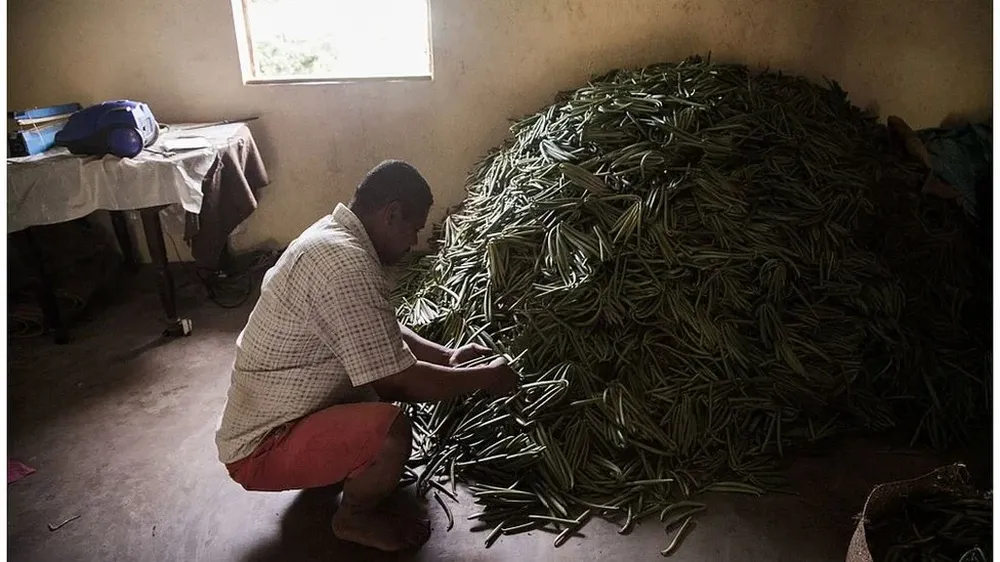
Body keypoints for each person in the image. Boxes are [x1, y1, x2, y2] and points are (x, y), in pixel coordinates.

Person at [215, 160, 518, 552]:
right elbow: (398, 380)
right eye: (413, 228)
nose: (413, 241)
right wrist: (485, 378)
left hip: (285, 413)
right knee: (390, 433)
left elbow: (377, 328)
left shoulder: (335, 236)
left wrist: (449, 357)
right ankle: (353, 518)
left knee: (374, 386)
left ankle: (334, 467)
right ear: (391, 213)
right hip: (261, 447)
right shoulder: (343, 263)